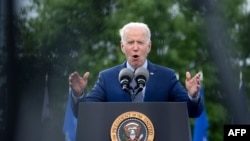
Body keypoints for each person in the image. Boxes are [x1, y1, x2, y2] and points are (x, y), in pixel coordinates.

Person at [68, 22, 204, 118]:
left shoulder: (166, 76)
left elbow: (192, 112)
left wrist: (192, 96)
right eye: (130, 42)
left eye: (140, 42)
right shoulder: (107, 77)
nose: (135, 47)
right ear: (122, 47)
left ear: (149, 46)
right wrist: (78, 95)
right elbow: (84, 113)